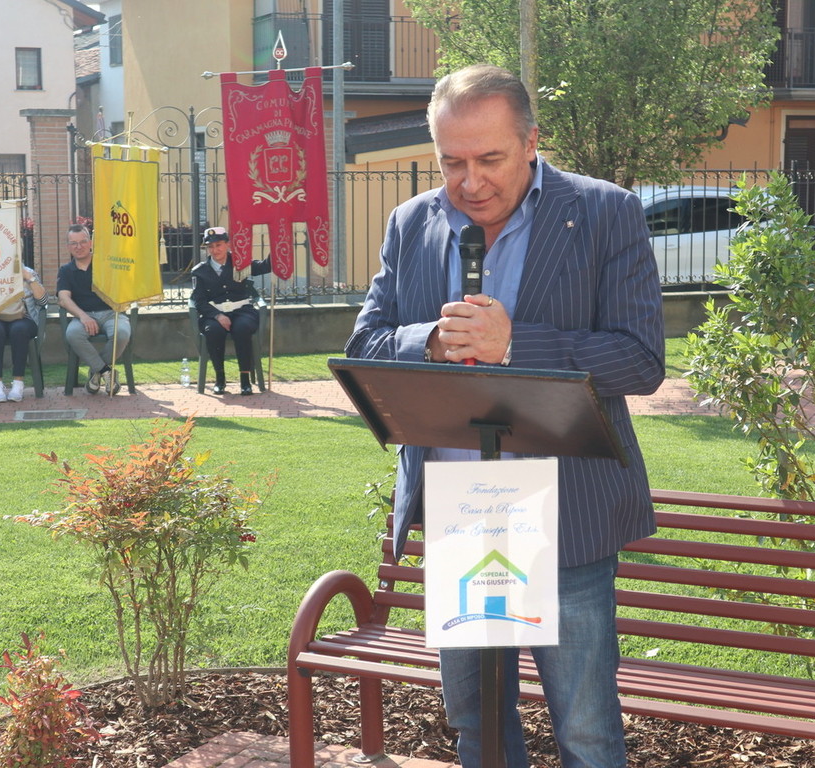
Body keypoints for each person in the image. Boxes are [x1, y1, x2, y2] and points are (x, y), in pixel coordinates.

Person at [345, 64, 665, 768]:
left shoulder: (605, 212)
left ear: (531, 142)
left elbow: (641, 359)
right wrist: (429, 341)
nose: (470, 182)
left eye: (489, 158)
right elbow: (365, 346)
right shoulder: (411, 223)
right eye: (451, 162)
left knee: (585, 731)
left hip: (567, 514)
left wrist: (514, 345)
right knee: (477, 726)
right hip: (463, 513)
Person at [190, 226, 270, 395]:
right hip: (214, 314)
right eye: (210, 246)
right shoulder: (200, 271)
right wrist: (217, 315)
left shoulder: (240, 262)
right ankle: (220, 379)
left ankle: (245, 380)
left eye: (218, 245)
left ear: (227, 244)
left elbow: (264, 266)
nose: (215, 250)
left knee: (242, 328)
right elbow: (199, 301)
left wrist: (278, 245)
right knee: (213, 331)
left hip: (242, 311)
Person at [57, 224, 131, 395]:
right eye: (73, 243)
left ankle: (96, 372)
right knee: (72, 334)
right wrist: (83, 316)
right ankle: (106, 371)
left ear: (90, 243)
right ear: (68, 246)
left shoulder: (107, 264)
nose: (79, 247)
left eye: (83, 242)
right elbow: (63, 298)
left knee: (121, 333)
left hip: (112, 313)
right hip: (82, 316)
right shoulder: (65, 271)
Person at [0, 264, 48, 402]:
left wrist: (29, 278)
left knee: (19, 330)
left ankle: (18, 383)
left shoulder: (28, 272)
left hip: (23, 317)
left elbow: (43, 302)